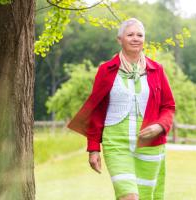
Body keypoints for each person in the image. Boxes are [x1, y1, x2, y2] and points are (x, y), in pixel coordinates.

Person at [67, 18, 175, 200]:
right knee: (129, 197)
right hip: (116, 143)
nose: (135, 38)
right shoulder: (106, 70)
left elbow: (168, 106)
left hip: (149, 144)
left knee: (146, 196)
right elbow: (97, 110)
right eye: (130, 34)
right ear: (119, 39)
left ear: (144, 39)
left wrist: (160, 126)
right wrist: (93, 148)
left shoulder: (157, 69)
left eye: (140, 35)